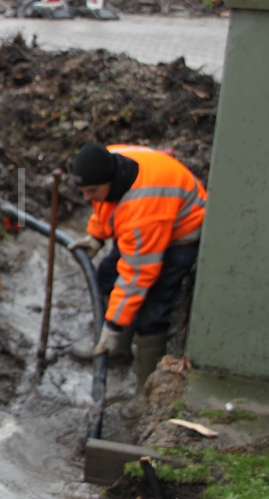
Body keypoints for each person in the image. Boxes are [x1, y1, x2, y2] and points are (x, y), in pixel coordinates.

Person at [67, 143, 205, 415]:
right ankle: (118, 352)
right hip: (149, 217)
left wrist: (113, 325)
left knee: (153, 308)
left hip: (180, 231)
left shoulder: (143, 209)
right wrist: (96, 235)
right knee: (108, 274)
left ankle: (146, 391)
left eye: (91, 191)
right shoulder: (109, 162)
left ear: (110, 181)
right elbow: (105, 204)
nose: (86, 198)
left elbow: (138, 276)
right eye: (83, 190)